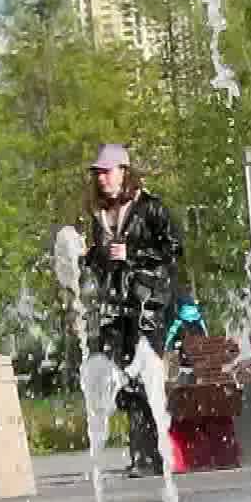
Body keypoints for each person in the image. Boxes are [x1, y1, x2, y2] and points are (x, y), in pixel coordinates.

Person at [82, 144, 182, 477]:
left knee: (146, 376)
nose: (102, 179)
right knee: (122, 378)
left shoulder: (151, 208)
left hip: (148, 305)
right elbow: (102, 261)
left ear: (124, 172)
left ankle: (153, 455)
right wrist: (89, 257)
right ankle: (142, 454)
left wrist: (134, 253)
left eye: (107, 172)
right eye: (98, 174)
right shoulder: (99, 216)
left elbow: (174, 249)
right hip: (117, 307)